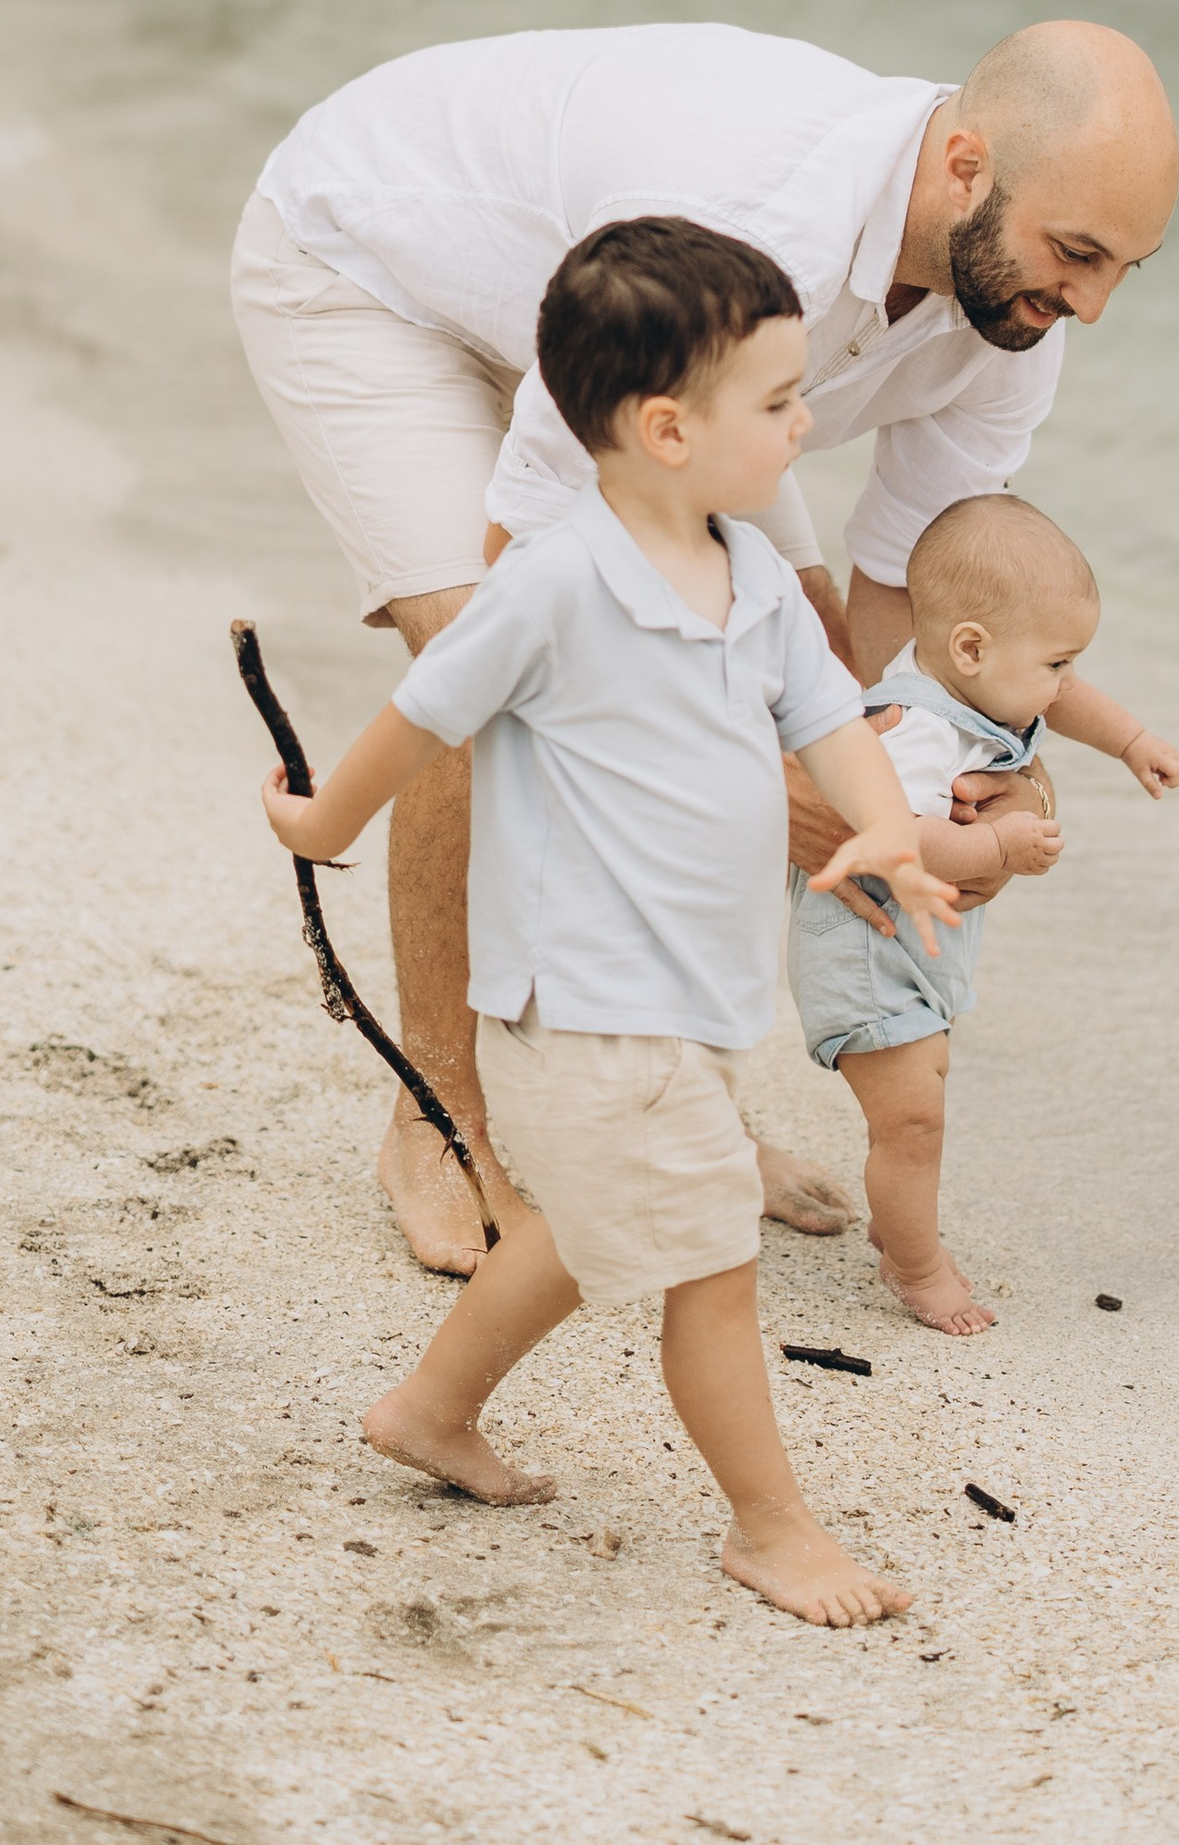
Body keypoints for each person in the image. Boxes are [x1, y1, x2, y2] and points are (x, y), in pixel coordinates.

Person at [231, 17, 1179, 1273]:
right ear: (964, 167)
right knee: (502, 675)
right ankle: (440, 1114)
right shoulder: (756, 216)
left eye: (1125, 269)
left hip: (683, 372)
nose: (1090, 307)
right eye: (1076, 254)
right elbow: (529, 578)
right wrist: (765, 775)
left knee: (798, 683)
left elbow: (915, 613)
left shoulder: (1011, 316)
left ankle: (672, 1106)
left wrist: (946, 775)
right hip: (372, 273)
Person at [258, 216, 956, 1626]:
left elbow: (828, 719)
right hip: (583, 1006)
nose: (805, 422)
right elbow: (423, 717)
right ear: (665, 428)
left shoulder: (750, 575)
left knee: (579, 1230)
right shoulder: (555, 582)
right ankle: (773, 1530)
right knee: (713, 1270)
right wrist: (325, 825)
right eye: (777, 401)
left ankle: (429, 1410)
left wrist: (885, 823)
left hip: (689, 997)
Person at [786, 490, 1179, 1334]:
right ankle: (916, 1267)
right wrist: (998, 848)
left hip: (908, 950)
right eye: (1057, 663)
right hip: (864, 950)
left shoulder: (969, 680)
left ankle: (900, 1223)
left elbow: (1064, 702)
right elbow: (893, 830)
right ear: (972, 647)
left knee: (919, 1103)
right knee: (913, 1120)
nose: (1065, 683)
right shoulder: (914, 727)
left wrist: (1131, 742)